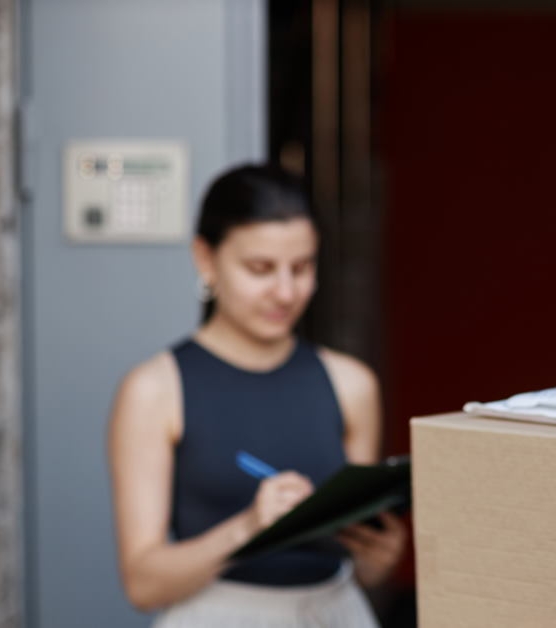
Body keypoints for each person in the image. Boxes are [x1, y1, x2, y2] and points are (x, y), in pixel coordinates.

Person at [107, 164, 407, 627]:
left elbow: (359, 566)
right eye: (260, 269)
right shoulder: (154, 389)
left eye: (302, 267)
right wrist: (248, 528)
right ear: (205, 259)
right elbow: (143, 584)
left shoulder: (351, 383)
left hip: (335, 612)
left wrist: (378, 560)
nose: (285, 292)